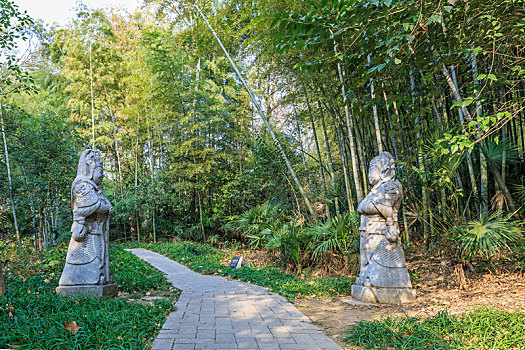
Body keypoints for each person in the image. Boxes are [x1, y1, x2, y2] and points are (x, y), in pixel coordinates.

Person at [355, 152, 413, 294]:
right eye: (369, 169)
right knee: (367, 260)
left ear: (385, 168)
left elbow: (371, 206)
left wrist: (370, 205)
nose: (370, 173)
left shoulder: (391, 186)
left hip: (380, 231)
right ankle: (365, 278)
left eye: (373, 168)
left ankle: (377, 283)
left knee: (379, 260)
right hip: (368, 230)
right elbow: (362, 207)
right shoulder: (376, 189)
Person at [58, 149, 114, 287]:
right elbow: (90, 205)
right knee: (85, 259)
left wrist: (106, 207)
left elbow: (105, 205)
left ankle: (99, 278)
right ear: (90, 169)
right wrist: (104, 207)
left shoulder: (94, 188)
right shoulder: (81, 185)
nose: (102, 175)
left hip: (97, 232)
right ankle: (82, 281)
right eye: (100, 171)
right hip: (85, 233)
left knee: (98, 258)